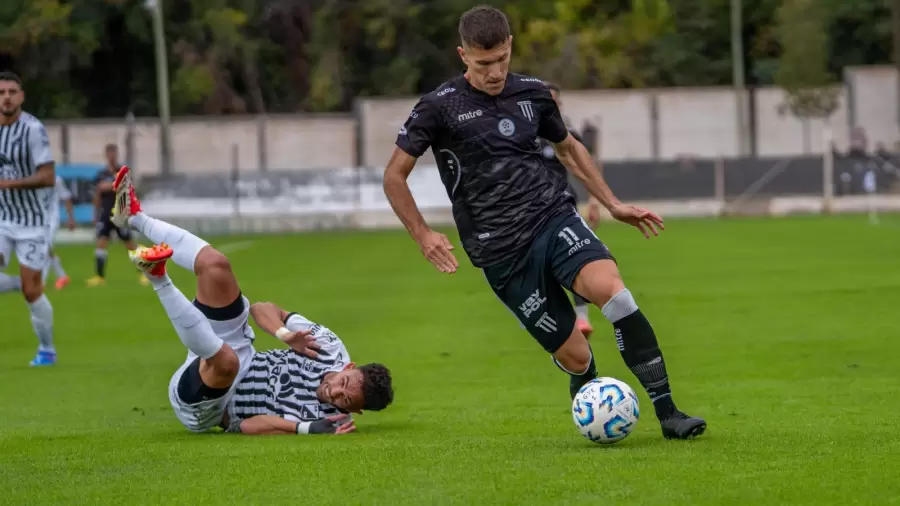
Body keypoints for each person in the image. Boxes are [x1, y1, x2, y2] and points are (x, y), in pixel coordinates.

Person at [382, 5, 705, 439]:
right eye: (483, 64)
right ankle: (585, 386)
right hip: (501, 251)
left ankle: (668, 413)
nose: (495, 72)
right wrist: (423, 235)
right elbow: (393, 175)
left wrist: (611, 202)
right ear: (463, 56)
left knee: (616, 295)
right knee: (576, 354)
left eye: (501, 60)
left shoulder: (533, 94)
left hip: (552, 218)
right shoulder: (438, 107)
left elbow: (568, 148)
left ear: (510, 46)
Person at [110, 166, 394, 434]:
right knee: (216, 265)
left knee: (226, 362)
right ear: (348, 367)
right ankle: (134, 217)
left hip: (209, 405)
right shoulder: (328, 348)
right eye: (343, 383)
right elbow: (261, 309)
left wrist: (305, 428)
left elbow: (246, 427)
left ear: (355, 412)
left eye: (344, 400)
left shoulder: (330, 421)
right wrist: (285, 334)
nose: (334, 392)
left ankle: (158, 276)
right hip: (240, 350)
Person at [0, 71, 57, 367]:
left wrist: (8, 184)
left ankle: (47, 350)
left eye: (12, 91)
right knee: (27, 285)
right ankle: (21, 283)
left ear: (21, 97)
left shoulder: (32, 130)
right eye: (1, 92)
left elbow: (48, 177)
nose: (6, 97)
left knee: (32, 291)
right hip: (1, 218)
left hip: (32, 222)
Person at [540, 81, 602, 339]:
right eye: (547, 99)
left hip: (563, 202)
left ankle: (582, 319)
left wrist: (595, 201)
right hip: (531, 209)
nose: (551, 103)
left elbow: (587, 167)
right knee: (540, 263)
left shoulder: (565, 133)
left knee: (574, 256)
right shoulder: (521, 133)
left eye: (555, 99)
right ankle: (546, 316)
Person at [86, 143, 147, 286]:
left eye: (114, 153)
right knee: (101, 244)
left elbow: (125, 187)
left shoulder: (123, 171)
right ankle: (99, 277)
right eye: (109, 153)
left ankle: (144, 274)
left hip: (120, 213)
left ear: (117, 154)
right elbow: (98, 193)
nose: (111, 156)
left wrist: (108, 186)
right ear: (106, 155)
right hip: (105, 214)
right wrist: (95, 214)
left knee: (130, 245)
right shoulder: (101, 174)